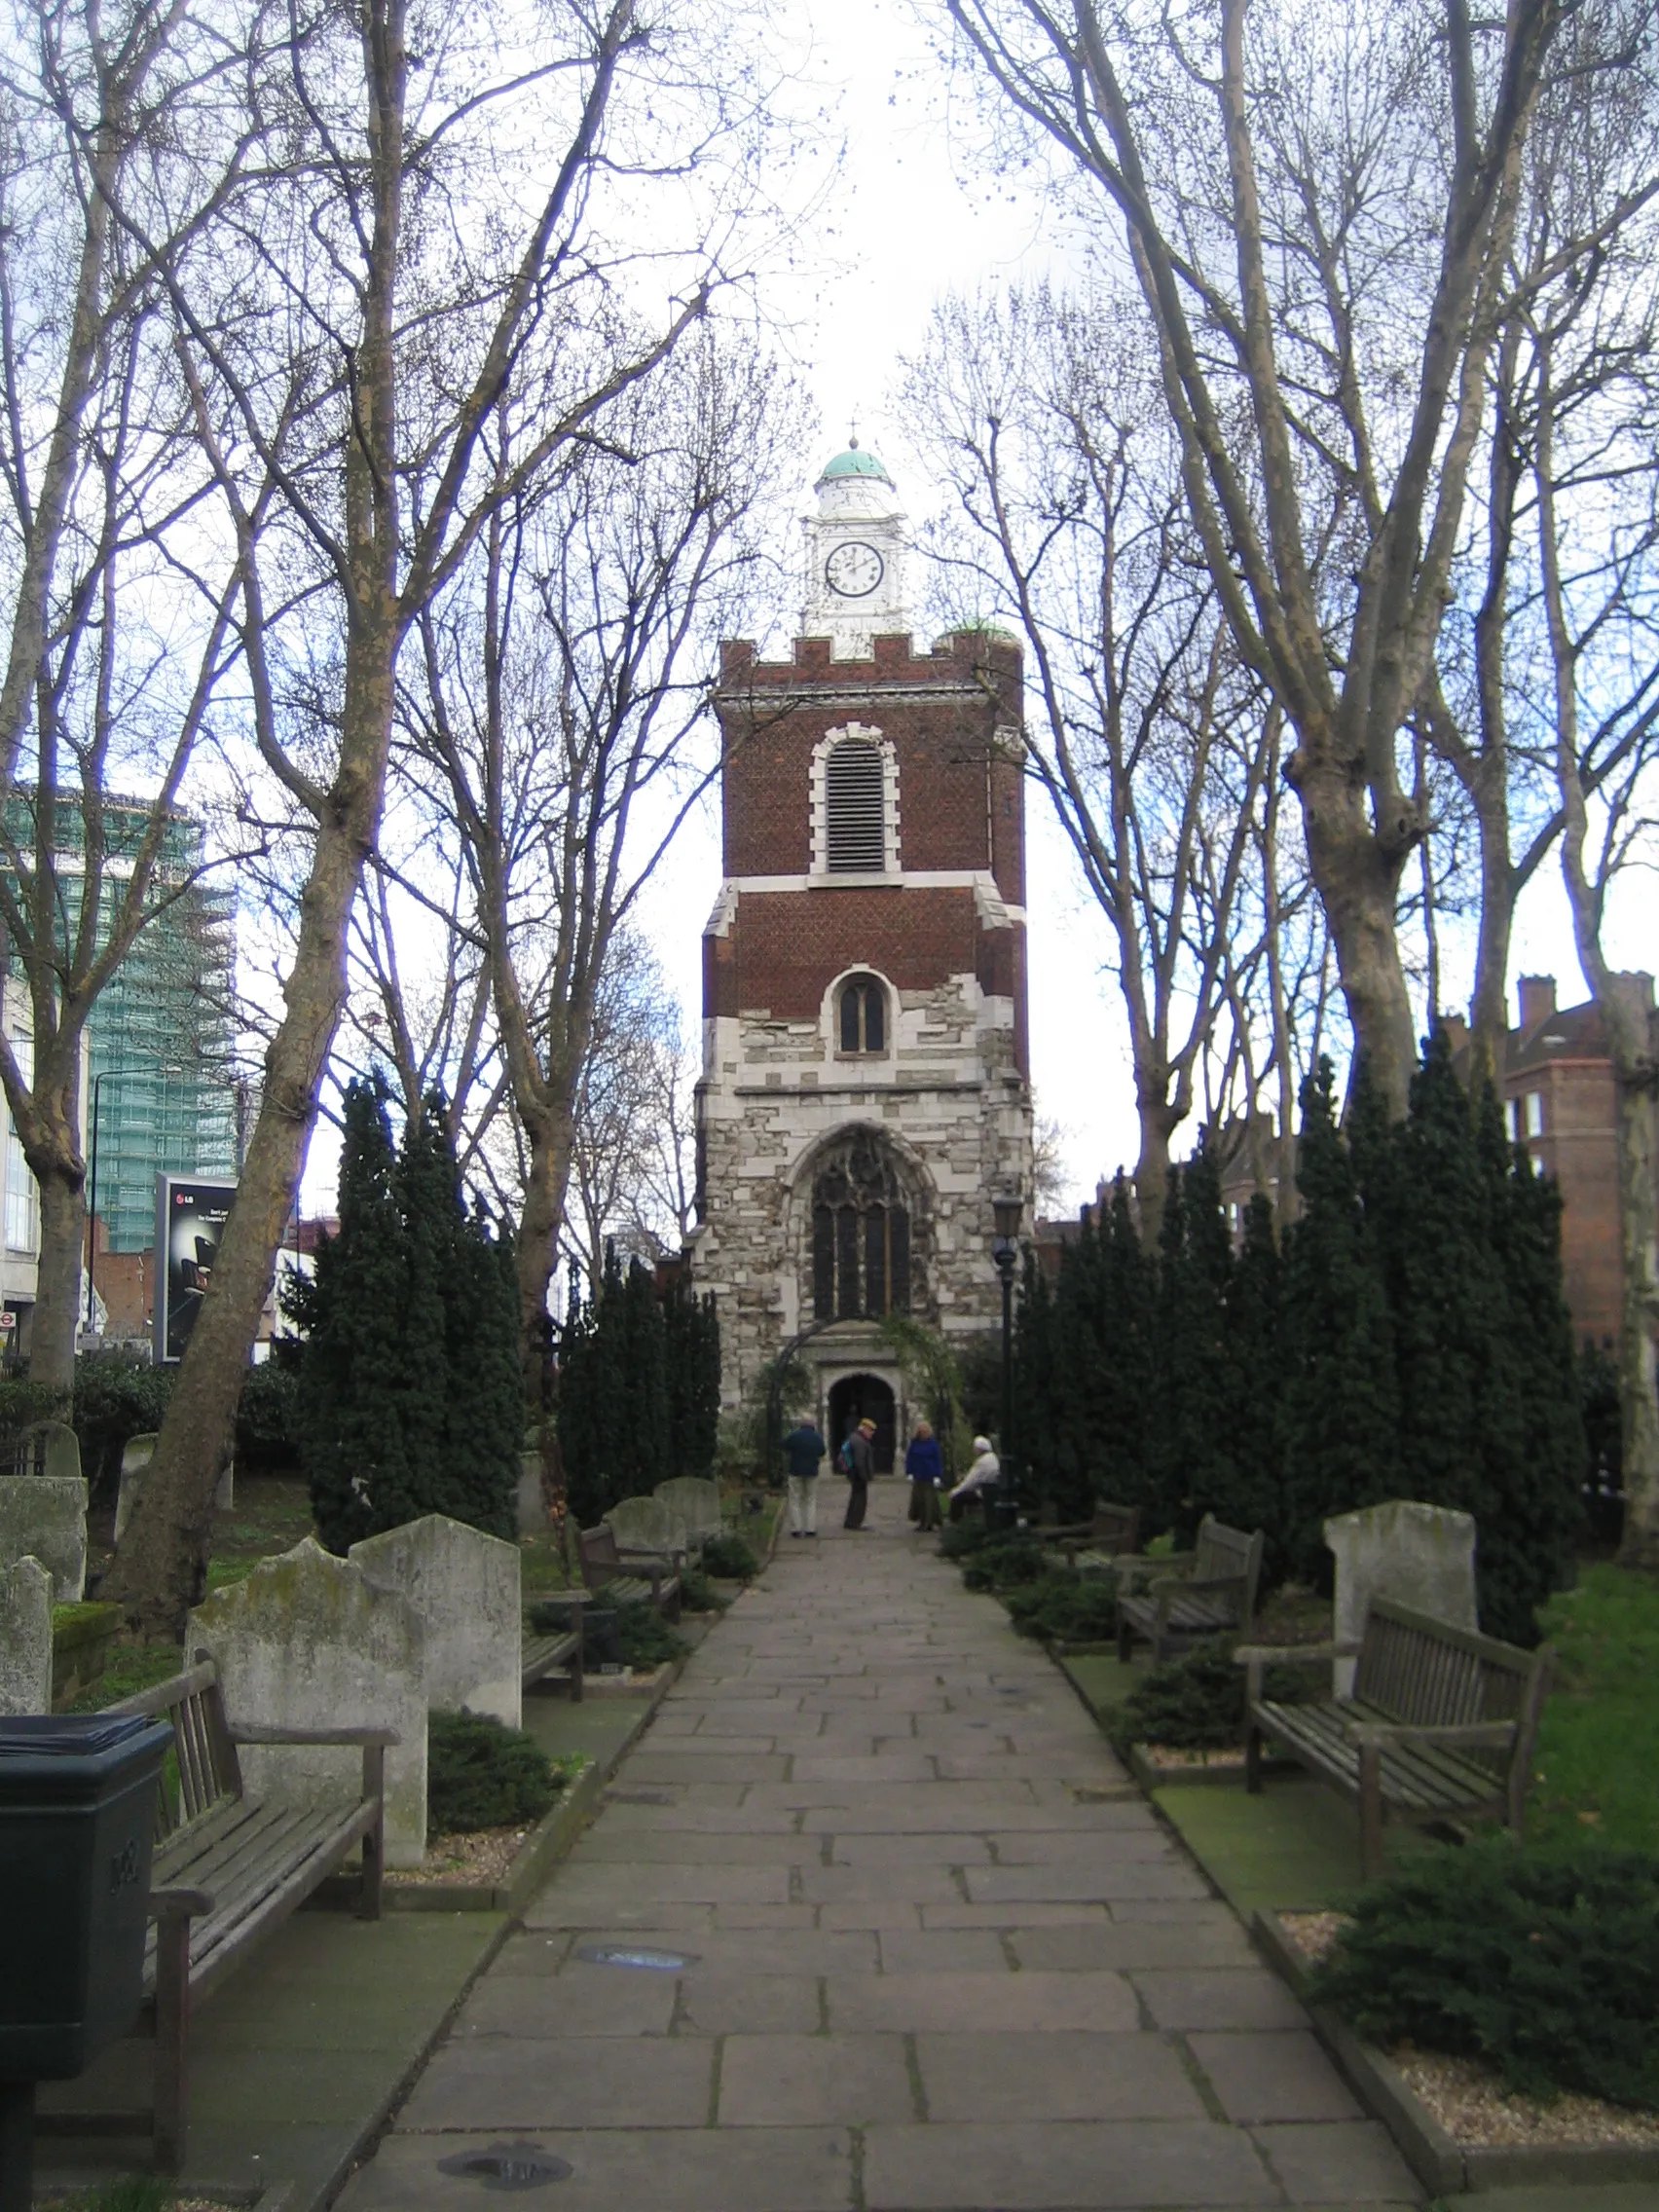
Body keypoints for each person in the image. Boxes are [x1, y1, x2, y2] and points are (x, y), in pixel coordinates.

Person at [784, 1416, 827, 1538]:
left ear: (801, 1424)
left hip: (795, 1471)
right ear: (812, 1424)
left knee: (795, 1499)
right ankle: (810, 1528)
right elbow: (822, 1451)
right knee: (810, 1499)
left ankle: (796, 1528)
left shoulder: (794, 1435)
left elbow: (784, 1445)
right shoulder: (817, 1437)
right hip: (812, 1471)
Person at [948, 1434, 1000, 1521]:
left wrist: (955, 1492)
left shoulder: (982, 1461)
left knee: (957, 1498)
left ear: (979, 1449)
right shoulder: (993, 1458)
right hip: (991, 1490)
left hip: (982, 1492)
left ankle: (956, 1523)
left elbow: (970, 1481)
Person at [905, 1419, 944, 1530]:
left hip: (929, 1475)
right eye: (922, 1432)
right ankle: (922, 1522)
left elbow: (937, 1460)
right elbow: (910, 1458)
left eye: (926, 1431)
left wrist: (937, 1475)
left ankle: (929, 1523)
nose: (924, 1433)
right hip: (918, 1475)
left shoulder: (933, 1444)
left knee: (929, 1501)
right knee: (919, 1500)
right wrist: (909, 1472)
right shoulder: (914, 1443)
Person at [842, 1416, 876, 1529]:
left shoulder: (855, 1438)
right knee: (859, 1500)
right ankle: (855, 1522)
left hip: (854, 1474)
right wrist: (864, 1476)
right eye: (870, 1430)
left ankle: (850, 1521)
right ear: (864, 1429)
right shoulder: (860, 1441)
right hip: (858, 1475)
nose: (872, 1433)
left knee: (855, 1498)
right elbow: (859, 1461)